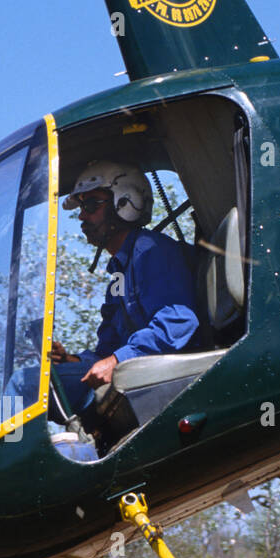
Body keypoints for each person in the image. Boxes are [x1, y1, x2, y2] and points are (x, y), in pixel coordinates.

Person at [49, 159, 206, 414]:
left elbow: (178, 322)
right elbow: (107, 349)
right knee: (47, 377)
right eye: (81, 207)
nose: (81, 216)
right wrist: (72, 360)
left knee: (28, 385)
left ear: (125, 203)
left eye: (90, 205)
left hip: (173, 378)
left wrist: (119, 360)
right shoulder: (119, 272)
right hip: (140, 375)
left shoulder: (151, 251)